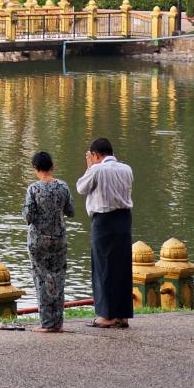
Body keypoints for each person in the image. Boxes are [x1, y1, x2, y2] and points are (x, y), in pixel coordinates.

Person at [77, 137, 134, 328]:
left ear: (95, 155)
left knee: (103, 267)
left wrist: (89, 167)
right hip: (124, 220)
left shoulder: (96, 169)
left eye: (91, 156)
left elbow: (80, 188)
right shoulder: (126, 168)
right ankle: (122, 315)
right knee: (122, 267)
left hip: (103, 221)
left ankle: (106, 316)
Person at [23, 150, 74, 332]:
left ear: (35, 168)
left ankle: (46, 324)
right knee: (58, 277)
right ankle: (57, 323)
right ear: (52, 167)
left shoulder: (33, 189)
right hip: (59, 239)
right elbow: (71, 211)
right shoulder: (63, 187)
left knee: (41, 278)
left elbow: (28, 217)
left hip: (38, 240)